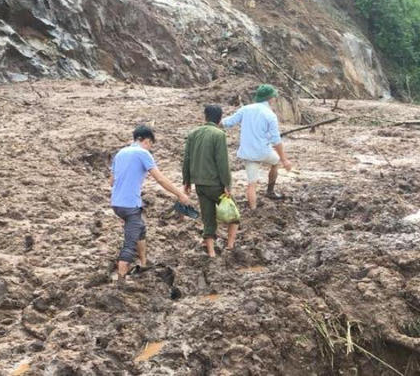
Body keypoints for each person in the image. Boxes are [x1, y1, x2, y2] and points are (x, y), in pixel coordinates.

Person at [110, 125, 190, 284]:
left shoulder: (120, 153)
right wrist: (180, 194)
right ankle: (120, 281)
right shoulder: (143, 153)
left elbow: (111, 181)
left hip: (116, 203)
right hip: (129, 205)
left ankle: (144, 262)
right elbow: (159, 178)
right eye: (150, 144)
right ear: (146, 140)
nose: (149, 147)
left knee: (140, 229)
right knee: (129, 244)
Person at [222, 84, 292, 210]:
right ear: (270, 99)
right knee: (275, 162)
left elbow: (228, 122)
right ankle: (270, 191)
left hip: (248, 153)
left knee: (251, 184)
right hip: (263, 151)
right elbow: (276, 140)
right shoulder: (270, 114)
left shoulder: (245, 109)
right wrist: (284, 159)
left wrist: (213, 123)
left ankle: (253, 209)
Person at [183, 105, 238, 257]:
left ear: (205, 116)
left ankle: (212, 253)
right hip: (215, 184)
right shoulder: (219, 134)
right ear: (220, 119)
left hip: (199, 185)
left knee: (208, 219)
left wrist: (186, 181)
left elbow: (186, 159)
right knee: (234, 215)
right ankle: (230, 246)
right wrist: (227, 184)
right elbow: (222, 162)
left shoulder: (193, 133)